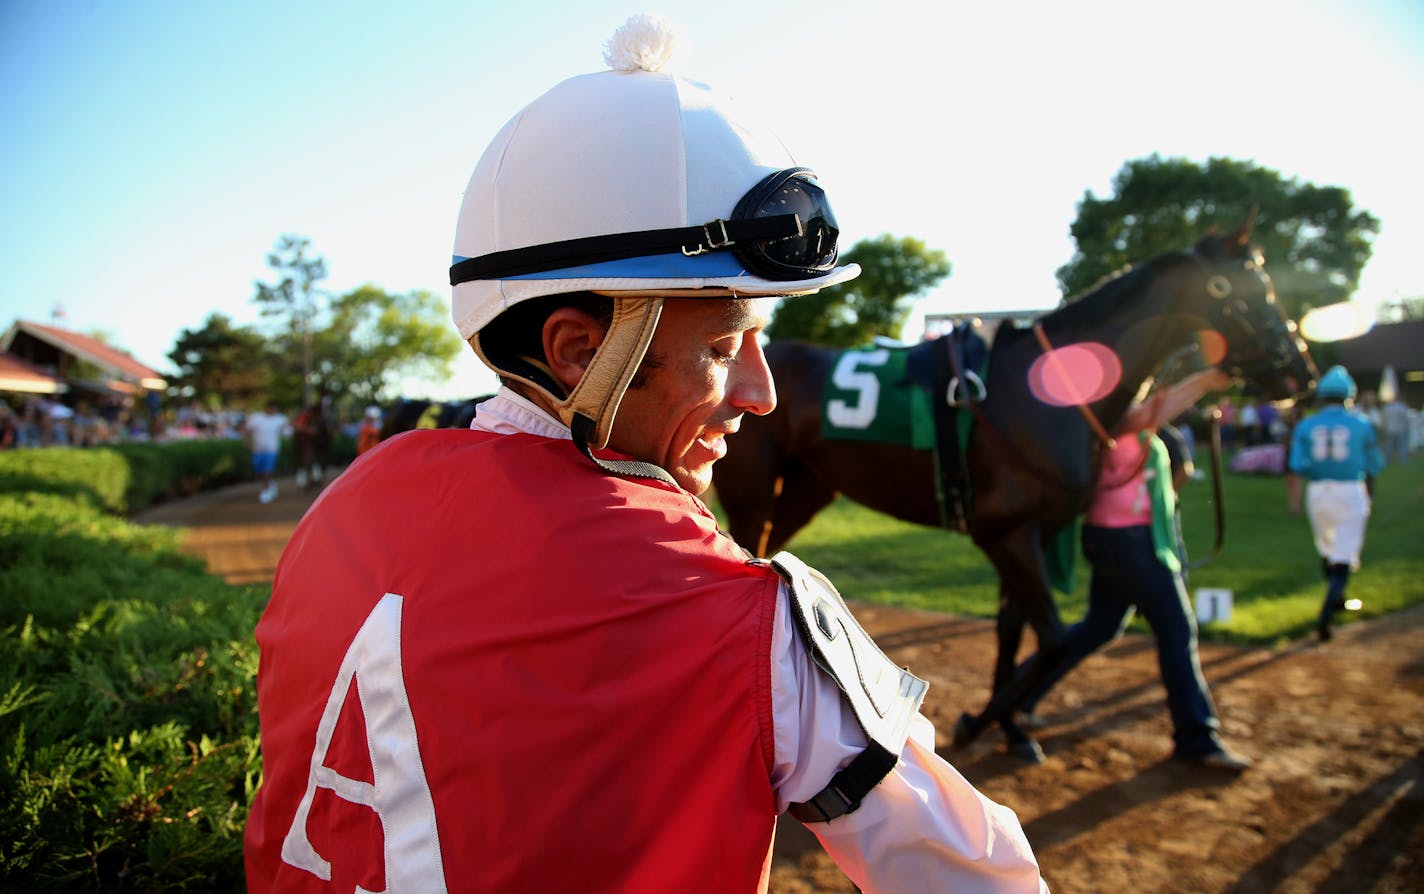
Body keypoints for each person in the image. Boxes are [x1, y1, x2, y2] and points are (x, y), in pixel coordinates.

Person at [244, 16, 1047, 893]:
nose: (762, 393)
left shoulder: (342, 504)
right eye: (723, 345)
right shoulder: (742, 618)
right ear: (579, 351)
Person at [1014, 367, 1252, 771]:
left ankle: (1016, 697)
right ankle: (1197, 737)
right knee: (1176, 630)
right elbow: (1152, 411)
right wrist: (1206, 380)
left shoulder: (1124, 420)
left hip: (1123, 540)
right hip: (1128, 543)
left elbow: (1155, 416)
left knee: (1099, 628)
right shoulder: (1110, 419)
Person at [1286, 365, 1385, 641]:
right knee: (1343, 554)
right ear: (1348, 396)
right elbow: (1375, 463)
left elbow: (1296, 464)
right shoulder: (1362, 424)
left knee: (1328, 548)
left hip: (1318, 492)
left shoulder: (1306, 425)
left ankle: (1338, 597)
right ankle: (1326, 615)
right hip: (1350, 490)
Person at [244, 401, 290, 504]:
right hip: (258, 450)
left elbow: (288, 430)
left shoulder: (280, 419)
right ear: (267, 408)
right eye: (272, 409)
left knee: (268, 470)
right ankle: (269, 485)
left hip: (271, 450)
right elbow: (247, 431)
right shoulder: (255, 418)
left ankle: (266, 490)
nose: (274, 411)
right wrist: (246, 443)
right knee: (260, 472)